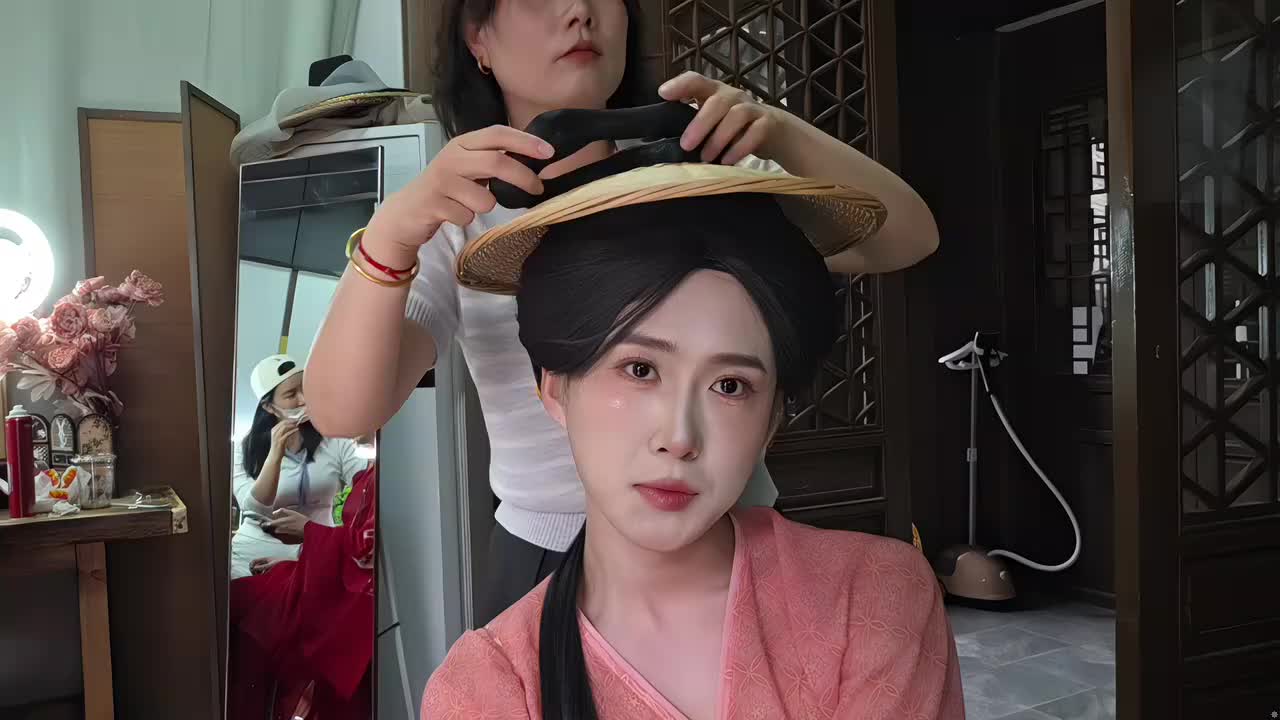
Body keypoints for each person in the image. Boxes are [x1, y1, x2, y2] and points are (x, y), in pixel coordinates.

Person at [305, 0, 941, 623]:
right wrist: (390, 236)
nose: (580, 11)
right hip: (551, 557)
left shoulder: (706, 167)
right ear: (479, 38)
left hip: (729, 531)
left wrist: (777, 128)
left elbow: (907, 237)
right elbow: (342, 411)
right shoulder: (458, 215)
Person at [421, 165, 963, 718]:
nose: (679, 438)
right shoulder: (486, 687)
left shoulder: (874, 597)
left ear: (772, 419)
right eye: (640, 370)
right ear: (556, 389)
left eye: (730, 386)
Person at [227, 458, 377, 719]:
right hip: (311, 562)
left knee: (249, 624)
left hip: (335, 582)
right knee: (237, 604)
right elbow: (253, 505)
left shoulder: (374, 467)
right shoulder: (374, 470)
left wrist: (309, 534)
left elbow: (368, 550)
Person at [231, 355, 365, 579]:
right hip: (251, 556)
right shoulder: (245, 449)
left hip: (314, 552)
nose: (303, 400)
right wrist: (275, 453)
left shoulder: (335, 440)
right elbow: (255, 508)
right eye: (291, 394)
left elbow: (367, 486)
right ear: (269, 406)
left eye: (305, 389)